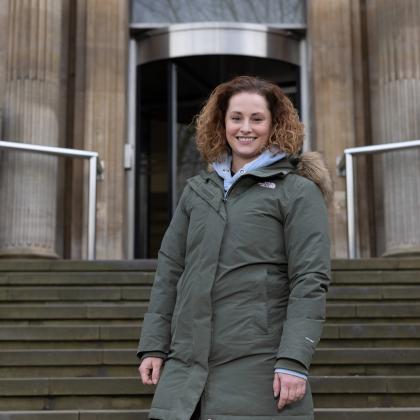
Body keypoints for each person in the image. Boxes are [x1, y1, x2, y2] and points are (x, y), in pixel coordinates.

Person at [137, 75, 332, 420]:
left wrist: (293, 360)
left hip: (259, 366)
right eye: (236, 118)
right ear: (222, 122)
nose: (246, 128)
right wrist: (154, 344)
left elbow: (310, 279)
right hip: (186, 369)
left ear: (273, 124)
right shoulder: (197, 190)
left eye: (257, 119)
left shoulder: (297, 192)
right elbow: (169, 271)